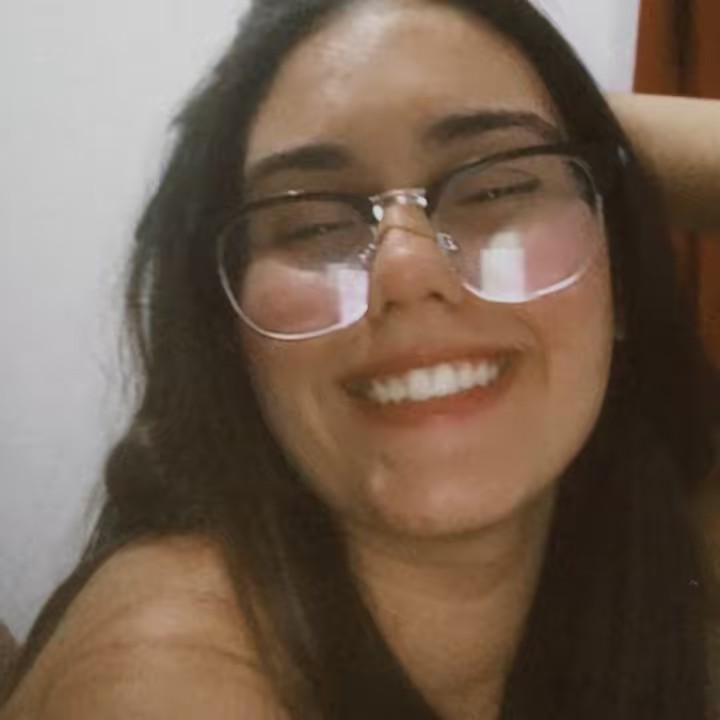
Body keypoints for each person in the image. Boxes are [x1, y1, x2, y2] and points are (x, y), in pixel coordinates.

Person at [1, 0, 719, 718]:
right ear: (230, 333)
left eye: (498, 185)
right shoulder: (163, 673)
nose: (405, 273)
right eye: (313, 224)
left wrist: (574, 120)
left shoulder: (646, 538)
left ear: (620, 273)